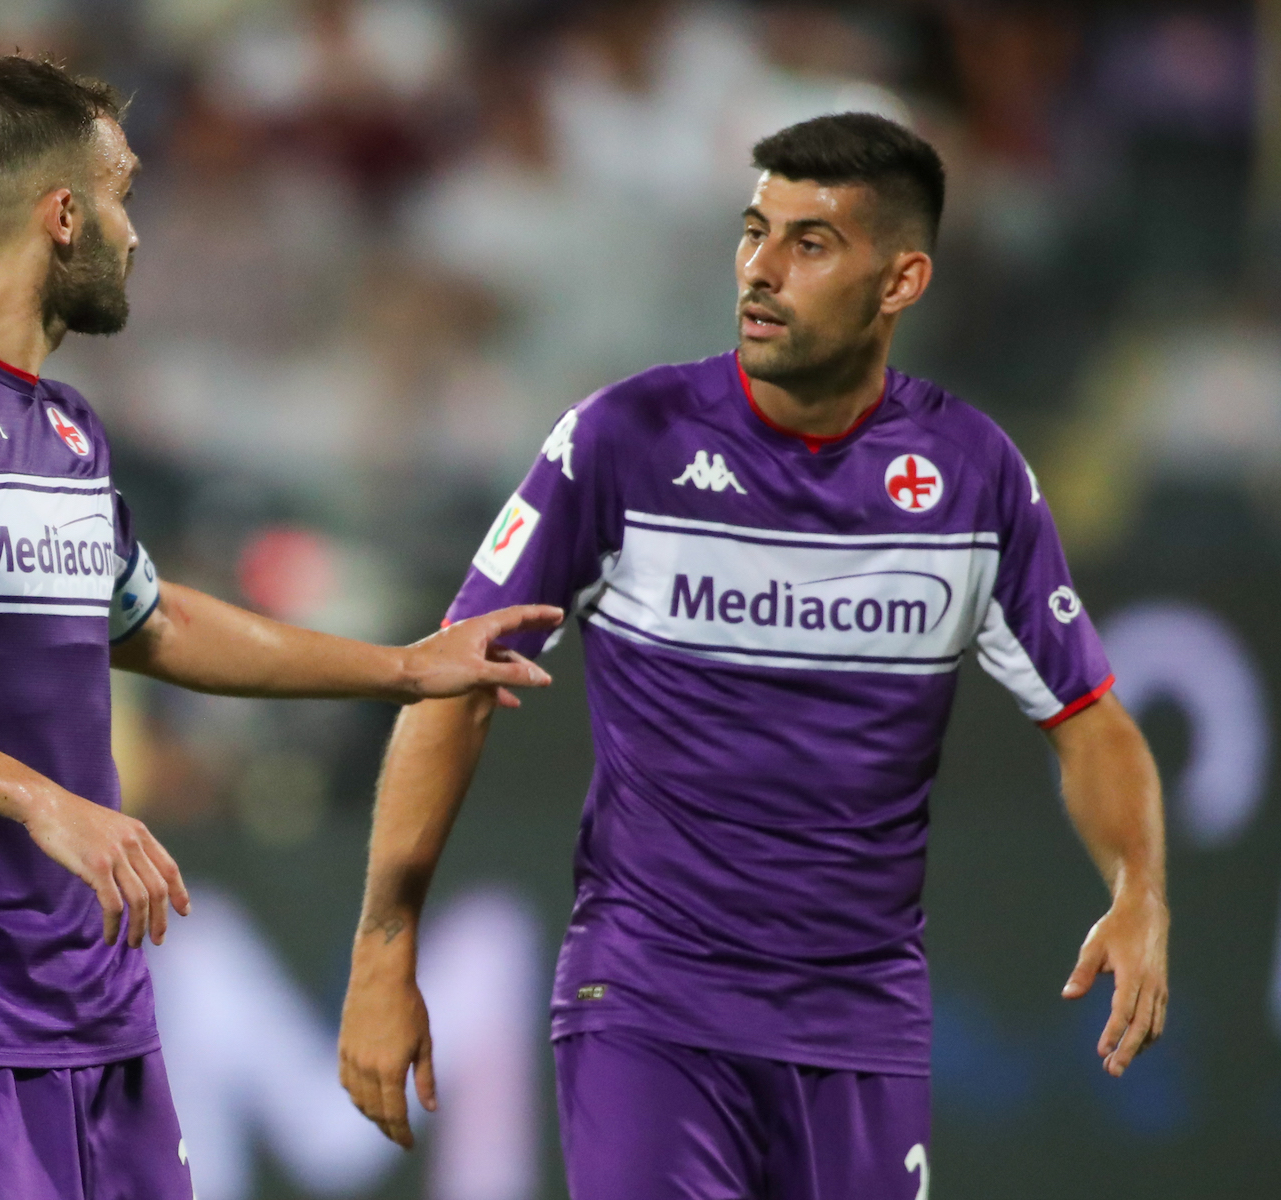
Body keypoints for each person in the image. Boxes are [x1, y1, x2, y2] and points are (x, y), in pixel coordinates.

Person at [0, 53, 559, 1200]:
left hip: (99, 1012)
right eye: (122, 193)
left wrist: (403, 668)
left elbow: (154, 618)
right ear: (62, 215)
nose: (136, 231)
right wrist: (42, 800)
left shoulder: (69, 431)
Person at [337, 112, 1168, 1199]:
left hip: (861, 1024)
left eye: (809, 243)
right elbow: (452, 684)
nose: (760, 270)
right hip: (649, 1005)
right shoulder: (625, 441)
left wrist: (1139, 890)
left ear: (902, 281)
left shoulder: (973, 478)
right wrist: (384, 948)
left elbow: (1088, 715)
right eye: (753, 230)